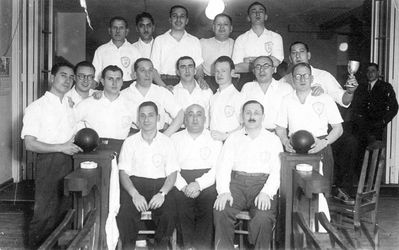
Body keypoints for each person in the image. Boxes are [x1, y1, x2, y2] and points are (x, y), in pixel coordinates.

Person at [283, 41, 359, 202]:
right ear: (290, 58)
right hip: (295, 139)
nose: (298, 55)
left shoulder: (324, 76)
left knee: (348, 143)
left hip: (322, 135)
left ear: (308, 55)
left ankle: (340, 189)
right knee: (294, 193)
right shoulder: (284, 82)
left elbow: (344, 100)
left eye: (301, 51)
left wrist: (350, 91)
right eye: (294, 53)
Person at [21, 62, 82, 247]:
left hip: (70, 161)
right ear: (51, 78)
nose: (68, 80)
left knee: (64, 214)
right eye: (63, 75)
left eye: (72, 77)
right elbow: (29, 143)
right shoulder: (36, 107)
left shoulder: (69, 104)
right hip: (49, 162)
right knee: (45, 215)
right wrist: (60, 147)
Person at [213, 100, 282, 249]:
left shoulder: (273, 140)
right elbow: (223, 166)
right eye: (248, 112)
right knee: (221, 209)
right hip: (236, 184)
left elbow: (277, 171)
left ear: (263, 117)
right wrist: (224, 191)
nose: (252, 116)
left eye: (256, 113)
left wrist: (266, 192)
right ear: (242, 116)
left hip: (262, 184)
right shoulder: (233, 138)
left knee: (263, 217)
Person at [117, 101, 178, 250]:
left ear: (158, 118)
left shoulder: (167, 142)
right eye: (142, 116)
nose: (146, 119)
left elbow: (172, 173)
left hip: (160, 186)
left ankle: (160, 246)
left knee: (169, 214)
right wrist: (134, 194)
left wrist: (162, 194)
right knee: (125, 214)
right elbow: (123, 173)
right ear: (138, 119)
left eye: (150, 115)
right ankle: (128, 247)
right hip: (135, 185)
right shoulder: (130, 142)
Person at [275, 63, 343, 188]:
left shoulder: (325, 98)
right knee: (294, 191)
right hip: (294, 150)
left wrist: (324, 142)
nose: (302, 79)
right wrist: (285, 141)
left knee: (321, 192)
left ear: (311, 79)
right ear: (292, 79)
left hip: (320, 147)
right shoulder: (286, 100)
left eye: (306, 76)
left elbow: (338, 129)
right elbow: (280, 128)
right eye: (298, 76)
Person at [171, 104, 222, 250]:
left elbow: (217, 168)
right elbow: (172, 167)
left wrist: (199, 184)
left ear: (205, 119)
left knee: (208, 205)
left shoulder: (214, 138)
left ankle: (202, 247)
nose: (195, 118)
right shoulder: (175, 139)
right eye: (190, 115)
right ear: (185, 120)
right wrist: (184, 186)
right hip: (181, 179)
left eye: (199, 114)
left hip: (207, 181)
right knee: (181, 205)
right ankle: (188, 247)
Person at [351, 62, 398, 169]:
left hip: (376, 127)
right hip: (361, 127)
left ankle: (372, 180)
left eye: (373, 71)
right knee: (360, 154)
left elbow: (394, 107)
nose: (370, 73)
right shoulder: (361, 87)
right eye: (368, 71)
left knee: (374, 154)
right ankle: (360, 179)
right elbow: (355, 105)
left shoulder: (385, 87)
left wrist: (383, 122)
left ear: (378, 73)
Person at [121, 58, 184, 136]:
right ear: (134, 75)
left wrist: (166, 135)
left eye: (150, 70)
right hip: (133, 135)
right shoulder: (123, 95)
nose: (147, 74)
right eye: (143, 70)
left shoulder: (162, 92)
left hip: (159, 134)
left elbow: (180, 114)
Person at [232, 2, 284, 90]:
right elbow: (237, 67)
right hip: (247, 79)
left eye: (261, 11)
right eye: (253, 11)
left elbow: (276, 62)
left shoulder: (275, 37)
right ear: (248, 18)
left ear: (266, 16)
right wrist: (267, 60)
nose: (257, 14)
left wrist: (250, 60)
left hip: (271, 78)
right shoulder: (241, 39)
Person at [74, 65, 134, 140]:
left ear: (122, 81)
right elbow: (68, 124)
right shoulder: (88, 103)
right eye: (110, 79)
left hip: (121, 148)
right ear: (102, 81)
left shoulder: (131, 104)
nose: (114, 83)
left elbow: (144, 127)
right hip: (95, 148)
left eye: (118, 79)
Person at [150, 5, 203, 86]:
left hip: (188, 83)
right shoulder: (159, 40)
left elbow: (199, 68)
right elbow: (153, 69)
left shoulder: (194, 41)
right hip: (165, 82)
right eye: (175, 16)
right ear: (170, 20)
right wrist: (164, 87)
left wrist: (200, 81)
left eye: (182, 16)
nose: (178, 19)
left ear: (187, 20)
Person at [241, 56, 293, 130]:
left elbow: (292, 116)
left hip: (278, 135)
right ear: (253, 71)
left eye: (266, 66)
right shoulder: (247, 88)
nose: (261, 70)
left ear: (273, 69)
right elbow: (241, 116)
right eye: (258, 67)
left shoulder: (286, 88)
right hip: (252, 134)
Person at [92, 16, 141, 89]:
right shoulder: (101, 50)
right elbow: (95, 78)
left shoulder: (135, 51)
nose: (118, 31)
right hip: (106, 90)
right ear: (109, 30)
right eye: (115, 28)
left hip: (128, 89)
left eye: (121, 28)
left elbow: (139, 76)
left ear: (126, 31)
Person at [209, 56, 244, 141]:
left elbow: (244, 125)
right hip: (214, 144)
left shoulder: (239, 97)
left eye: (223, 71)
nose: (219, 74)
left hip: (232, 143)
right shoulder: (213, 97)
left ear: (232, 73)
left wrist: (226, 136)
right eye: (217, 71)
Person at [198, 13, 235, 93]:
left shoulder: (236, 44)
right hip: (208, 81)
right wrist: (200, 80)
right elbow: (199, 66)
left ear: (231, 28)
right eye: (218, 24)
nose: (221, 27)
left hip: (230, 81)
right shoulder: (203, 43)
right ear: (213, 28)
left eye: (225, 24)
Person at [172, 56, 213, 125]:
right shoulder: (172, 93)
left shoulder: (206, 91)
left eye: (190, 66)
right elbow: (168, 121)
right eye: (183, 67)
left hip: (203, 132)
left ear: (195, 71)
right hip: (180, 132)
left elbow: (211, 118)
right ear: (178, 72)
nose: (187, 70)